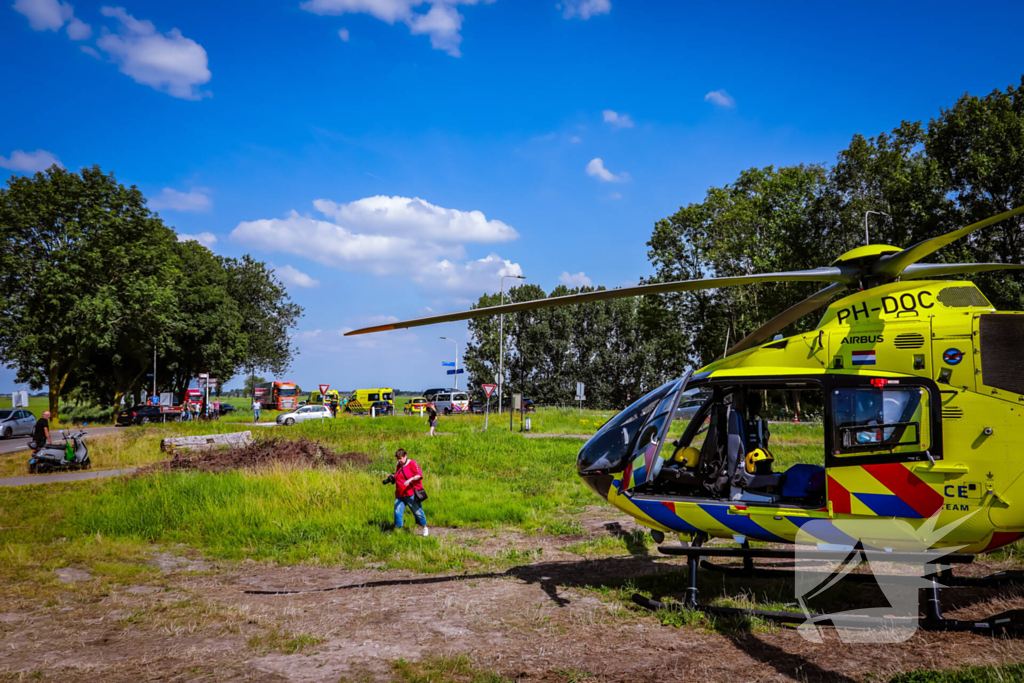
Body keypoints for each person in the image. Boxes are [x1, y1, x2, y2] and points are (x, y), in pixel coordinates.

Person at [392, 449, 428, 536]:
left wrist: (411, 479)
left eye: (400, 458)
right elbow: (398, 475)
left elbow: (419, 475)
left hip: (410, 493)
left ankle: (425, 528)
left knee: (418, 512)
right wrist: (392, 477)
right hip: (400, 494)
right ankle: (398, 531)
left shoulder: (412, 463)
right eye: (398, 459)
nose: (399, 460)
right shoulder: (399, 465)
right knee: (397, 512)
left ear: (405, 456)